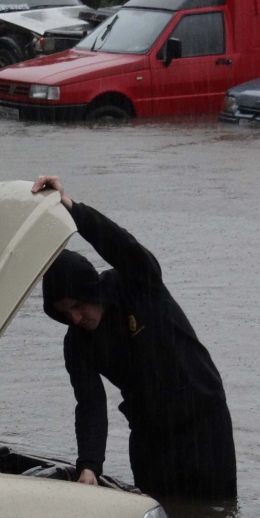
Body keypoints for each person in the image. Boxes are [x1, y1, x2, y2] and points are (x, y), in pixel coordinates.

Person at [33, 175, 237, 501]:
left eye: (77, 304)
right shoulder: (77, 343)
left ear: (91, 290)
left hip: (203, 421)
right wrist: (89, 467)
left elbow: (119, 243)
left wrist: (70, 208)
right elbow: (90, 404)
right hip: (149, 436)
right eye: (64, 312)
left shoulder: (137, 282)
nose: (74, 317)